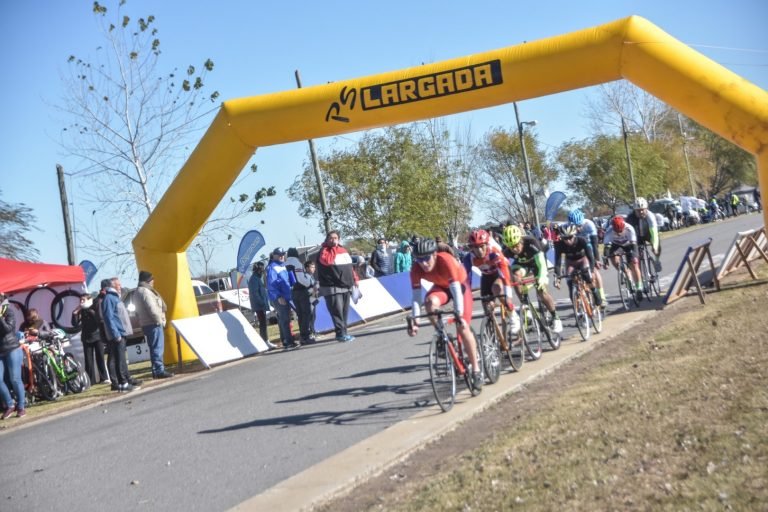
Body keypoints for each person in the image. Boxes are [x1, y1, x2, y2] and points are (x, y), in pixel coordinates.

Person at [408, 239, 483, 392]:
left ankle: (476, 370)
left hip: (460, 287)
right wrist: (416, 321)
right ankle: (442, 334)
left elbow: (456, 291)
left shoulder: (446, 261)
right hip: (441, 287)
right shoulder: (415, 269)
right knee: (429, 303)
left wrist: (459, 315)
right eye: (419, 260)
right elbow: (416, 298)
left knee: (463, 328)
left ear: (435, 255)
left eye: (426, 258)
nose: (423, 263)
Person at [501, 224, 563, 334]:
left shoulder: (531, 243)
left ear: (520, 240)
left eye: (516, 245)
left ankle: (556, 318)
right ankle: (525, 305)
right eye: (511, 247)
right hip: (522, 265)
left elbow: (541, 265)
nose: (514, 249)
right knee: (515, 277)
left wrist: (541, 278)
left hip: (537, 263)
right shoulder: (507, 251)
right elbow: (502, 268)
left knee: (541, 291)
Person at [461, 229, 520, 335]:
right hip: (486, 276)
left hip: (500, 273)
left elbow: (505, 277)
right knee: (487, 308)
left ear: (487, 244)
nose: (479, 251)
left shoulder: (494, 252)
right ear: (471, 248)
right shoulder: (469, 258)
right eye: (475, 247)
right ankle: (493, 335)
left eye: (482, 246)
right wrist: (466, 295)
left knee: (496, 288)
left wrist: (508, 298)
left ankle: (513, 316)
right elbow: (466, 280)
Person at [317, 230, 358, 342]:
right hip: (332, 287)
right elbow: (327, 261)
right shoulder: (324, 251)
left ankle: (344, 332)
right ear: (327, 239)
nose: (333, 240)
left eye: (335, 238)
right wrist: (334, 248)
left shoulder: (343, 250)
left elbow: (350, 267)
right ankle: (340, 334)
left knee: (344, 312)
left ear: (339, 239)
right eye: (331, 238)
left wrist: (355, 279)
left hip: (346, 285)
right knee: (337, 312)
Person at [101, 277, 142, 392]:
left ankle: (125, 381)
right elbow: (108, 318)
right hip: (117, 334)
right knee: (119, 360)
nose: (120, 286)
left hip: (121, 333)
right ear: (113, 286)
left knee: (122, 359)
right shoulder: (109, 298)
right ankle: (123, 384)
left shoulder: (115, 297)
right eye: (118, 285)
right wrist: (116, 334)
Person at [553, 224, 606, 307]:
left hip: (582, 260)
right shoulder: (559, 245)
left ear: (574, 235)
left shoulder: (582, 240)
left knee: (587, 275)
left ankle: (594, 291)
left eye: (570, 237)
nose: (568, 241)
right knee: (569, 281)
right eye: (565, 238)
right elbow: (557, 263)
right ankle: (577, 307)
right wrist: (558, 278)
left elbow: (590, 257)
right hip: (570, 262)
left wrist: (592, 271)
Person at [134, 271, 174, 379]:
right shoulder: (146, 291)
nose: (153, 282)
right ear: (148, 280)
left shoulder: (137, 291)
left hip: (145, 323)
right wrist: (159, 321)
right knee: (157, 348)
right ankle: (159, 370)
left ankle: (155, 370)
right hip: (153, 323)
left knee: (153, 347)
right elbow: (152, 308)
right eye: (152, 280)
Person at [568, 209, 607, 306]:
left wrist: (596, 259)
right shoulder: (567, 227)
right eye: (575, 226)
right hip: (577, 249)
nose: (578, 228)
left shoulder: (589, 224)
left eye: (579, 225)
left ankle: (601, 296)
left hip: (589, 246)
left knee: (594, 270)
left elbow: (594, 244)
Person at [71, 292, 110, 385]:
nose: (81, 302)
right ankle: (90, 380)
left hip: (97, 336)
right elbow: (75, 323)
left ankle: (104, 378)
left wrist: (90, 311)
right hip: (86, 337)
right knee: (88, 360)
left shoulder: (94, 306)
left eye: (83, 300)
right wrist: (75, 313)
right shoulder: (81, 310)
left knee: (100, 357)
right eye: (80, 300)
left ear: (88, 300)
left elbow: (98, 319)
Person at [603, 215, 643, 302]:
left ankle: (639, 288)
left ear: (624, 226)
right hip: (616, 245)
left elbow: (634, 246)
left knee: (634, 265)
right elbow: (606, 248)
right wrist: (605, 260)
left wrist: (634, 257)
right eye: (617, 232)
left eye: (621, 231)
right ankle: (624, 272)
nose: (619, 233)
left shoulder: (629, 228)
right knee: (613, 259)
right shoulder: (609, 231)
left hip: (629, 245)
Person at [0, 292, 26, 419]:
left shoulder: (8, 312)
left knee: (15, 379)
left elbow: (8, 329)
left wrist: (0, 317)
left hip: (12, 348)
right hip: (0, 351)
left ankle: (21, 407)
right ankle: (10, 405)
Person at [267, 247, 298, 349]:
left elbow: (287, 280)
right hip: (279, 297)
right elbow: (271, 284)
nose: (281, 256)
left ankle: (287, 340)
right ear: (274, 256)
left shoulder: (282, 266)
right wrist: (279, 296)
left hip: (286, 296)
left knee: (285, 319)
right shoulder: (272, 267)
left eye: (283, 254)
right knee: (284, 319)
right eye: (279, 255)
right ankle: (288, 342)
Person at [287, 248, 317, 345]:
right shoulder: (297, 263)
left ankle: (302, 336)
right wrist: (309, 283)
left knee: (300, 315)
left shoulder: (284, 264)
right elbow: (301, 279)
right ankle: (305, 337)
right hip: (302, 291)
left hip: (293, 292)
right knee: (306, 314)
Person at [625, 197, 662, 273]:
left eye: (643, 210)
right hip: (636, 236)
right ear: (635, 211)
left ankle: (657, 260)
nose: (641, 212)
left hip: (648, 234)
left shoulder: (650, 216)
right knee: (634, 254)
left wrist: (654, 247)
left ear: (646, 209)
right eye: (638, 210)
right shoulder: (630, 218)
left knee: (657, 243)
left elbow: (654, 233)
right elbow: (628, 234)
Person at [247, 261, 276, 348]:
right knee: (263, 323)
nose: (263, 271)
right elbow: (255, 294)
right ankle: (265, 341)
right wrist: (262, 303)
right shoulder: (254, 279)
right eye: (262, 269)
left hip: (261, 305)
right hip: (259, 305)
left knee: (263, 323)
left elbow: (264, 288)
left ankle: (265, 341)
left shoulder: (258, 278)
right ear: (258, 269)